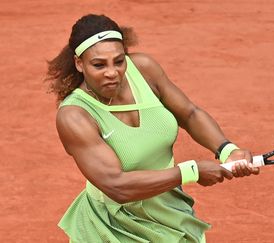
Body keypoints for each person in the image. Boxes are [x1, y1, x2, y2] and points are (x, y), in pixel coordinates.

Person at [45, 14, 259, 243]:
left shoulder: (143, 70)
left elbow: (189, 113)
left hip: (167, 209)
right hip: (112, 224)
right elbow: (116, 186)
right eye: (99, 65)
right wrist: (191, 171)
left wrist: (226, 149)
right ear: (79, 63)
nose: (112, 72)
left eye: (119, 61)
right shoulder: (74, 116)